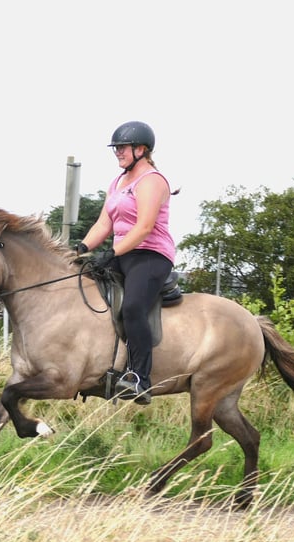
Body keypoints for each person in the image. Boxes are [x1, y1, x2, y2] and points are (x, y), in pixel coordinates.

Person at [77, 121, 176, 405]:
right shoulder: (118, 182)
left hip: (150, 255)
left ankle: (140, 379)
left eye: (122, 148)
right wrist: (82, 248)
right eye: (116, 148)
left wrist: (113, 252)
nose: (118, 152)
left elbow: (144, 227)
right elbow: (103, 223)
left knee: (132, 307)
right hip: (123, 253)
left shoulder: (153, 181)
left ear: (141, 149)